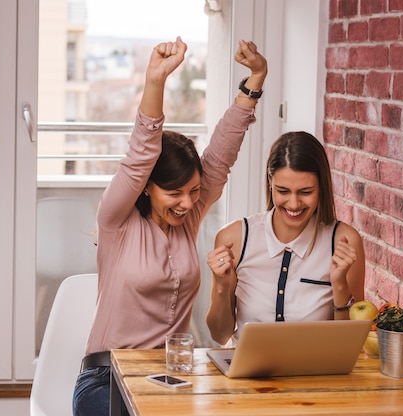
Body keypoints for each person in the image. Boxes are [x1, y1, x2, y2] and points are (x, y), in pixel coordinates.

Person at [72, 37, 267, 416]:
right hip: (107, 377)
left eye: (194, 191)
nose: (188, 202)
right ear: (147, 186)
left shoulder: (187, 218)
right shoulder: (117, 222)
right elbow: (141, 152)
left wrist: (255, 79)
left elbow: (222, 154)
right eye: (174, 193)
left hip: (170, 375)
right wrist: (156, 80)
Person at [205, 131, 365, 346]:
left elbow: (349, 344)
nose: (293, 204)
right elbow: (219, 334)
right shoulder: (235, 237)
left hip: (314, 375)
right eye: (283, 191)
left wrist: (339, 285)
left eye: (306, 192)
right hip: (248, 376)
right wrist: (222, 286)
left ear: (322, 187)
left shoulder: (344, 240)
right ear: (270, 182)